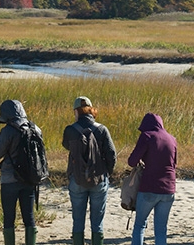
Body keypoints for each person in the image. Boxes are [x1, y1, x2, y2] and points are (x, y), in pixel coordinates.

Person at [62, 96, 116, 245]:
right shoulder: (102, 129)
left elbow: (66, 146)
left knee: (78, 219)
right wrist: (107, 173)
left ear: (76, 111)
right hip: (99, 178)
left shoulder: (70, 130)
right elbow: (112, 155)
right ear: (91, 110)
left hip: (77, 178)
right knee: (97, 222)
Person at [0, 99, 42, 245]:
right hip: (30, 178)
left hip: (9, 179)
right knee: (29, 217)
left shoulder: (7, 130)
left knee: (9, 218)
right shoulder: (35, 128)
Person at [128, 112, 177, 245]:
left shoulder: (147, 136)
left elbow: (132, 161)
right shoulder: (172, 139)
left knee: (140, 224)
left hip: (149, 187)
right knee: (161, 229)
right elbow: (174, 164)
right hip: (169, 189)